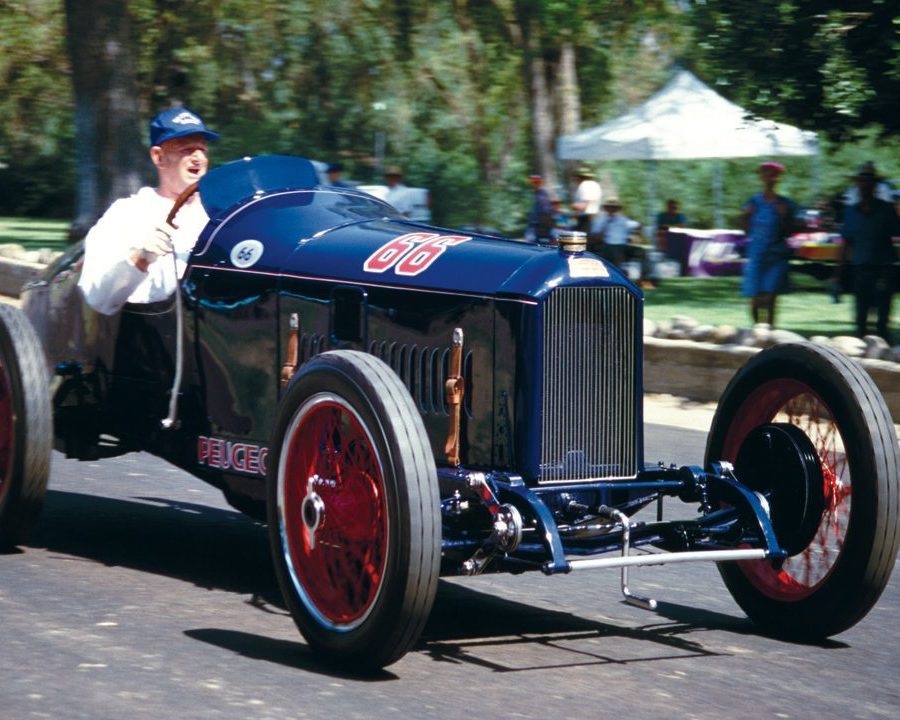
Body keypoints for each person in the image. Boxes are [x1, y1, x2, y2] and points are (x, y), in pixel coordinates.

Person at [78, 107, 219, 316]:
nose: (198, 158)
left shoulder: (221, 215)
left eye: (203, 149)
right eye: (186, 149)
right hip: (150, 334)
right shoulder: (127, 214)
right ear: (158, 157)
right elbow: (98, 299)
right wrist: (140, 258)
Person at [839, 161, 899, 342]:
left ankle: (884, 350)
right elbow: (846, 241)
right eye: (861, 181)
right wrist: (839, 270)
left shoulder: (886, 209)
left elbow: (897, 231)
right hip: (860, 267)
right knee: (861, 317)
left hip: (883, 268)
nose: (865, 185)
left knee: (882, 318)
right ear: (857, 184)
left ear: (874, 185)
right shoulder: (850, 211)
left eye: (869, 181)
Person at [740, 161, 796, 326]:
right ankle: (757, 331)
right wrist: (744, 216)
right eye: (765, 174)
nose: (769, 177)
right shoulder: (753, 202)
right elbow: (745, 229)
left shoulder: (785, 203)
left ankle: (770, 335)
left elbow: (789, 231)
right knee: (754, 298)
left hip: (776, 255)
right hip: (756, 254)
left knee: (771, 297)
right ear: (761, 177)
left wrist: (785, 216)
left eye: (773, 174)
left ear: (778, 178)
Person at [571, 166, 602, 234]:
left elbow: (584, 206)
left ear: (580, 178)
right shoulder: (593, 185)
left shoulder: (585, 185)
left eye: (577, 177)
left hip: (586, 220)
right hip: (590, 218)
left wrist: (573, 205)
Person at [525, 174, 554, 242]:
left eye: (536, 182)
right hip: (533, 225)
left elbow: (546, 212)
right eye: (532, 182)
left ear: (540, 183)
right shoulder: (534, 194)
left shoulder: (542, 195)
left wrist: (542, 227)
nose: (534, 184)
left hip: (538, 227)